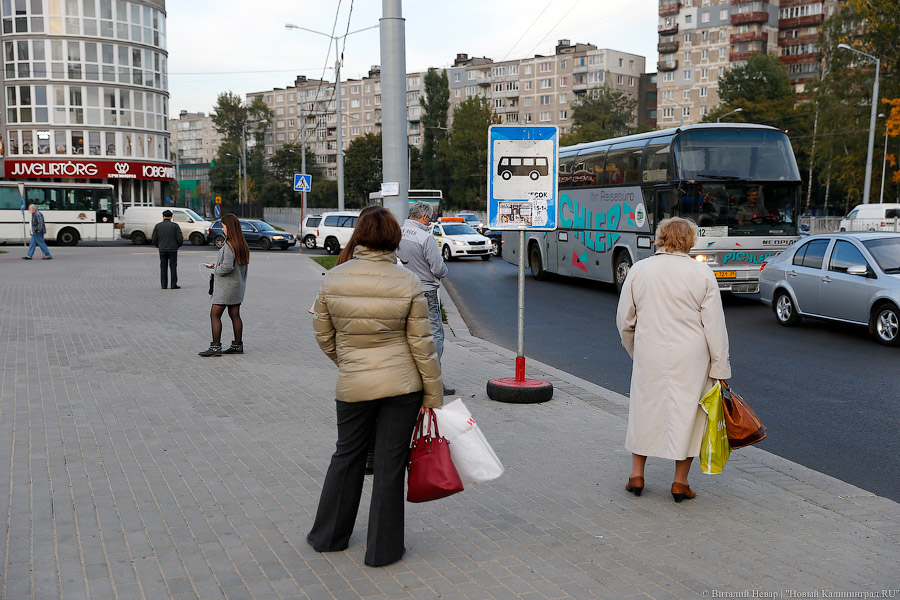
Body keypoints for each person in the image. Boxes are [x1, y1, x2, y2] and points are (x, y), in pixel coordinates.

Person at [308, 207, 442, 567]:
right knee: (389, 464)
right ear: (393, 238)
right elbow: (422, 345)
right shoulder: (408, 282)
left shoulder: (333, 278)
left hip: (353, 385)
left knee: (346, 455)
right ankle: (383, 550)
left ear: (359, 235)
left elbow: (323, 335)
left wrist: (350, 362)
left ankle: (328, 537)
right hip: (402, 388)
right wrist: (434, 395)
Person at [615, 217, 731, 503]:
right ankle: (680, 482)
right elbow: (714, 326)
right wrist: (720, 366)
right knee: (689, 415)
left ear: (660, 238)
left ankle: (636, 476)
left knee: (644, 409)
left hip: (650, 351)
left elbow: (625, 321)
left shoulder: (639, 270)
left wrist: (635, 350)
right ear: (690, 240)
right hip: (691, 356)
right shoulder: (702, 274)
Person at [396, 201, 455, 395]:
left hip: (403, 292)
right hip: (426, 292)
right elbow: (438, 269)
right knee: (435, 335)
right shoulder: (425, 237)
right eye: (430, 218)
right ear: (425, 217)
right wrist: (443, 270)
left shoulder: (396, 234)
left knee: (409, 335)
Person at [199, 213, 249, 357]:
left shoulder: (229, 245)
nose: (223, 229)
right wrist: (218, 264)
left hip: (226, 288)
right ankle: (237, 346)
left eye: (223, 226)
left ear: (230, 227)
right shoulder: (241, 244)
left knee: (214, 315)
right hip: (237, 287)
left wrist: (216, 269)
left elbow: (227, 267)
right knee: (235, 315)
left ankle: (215, 347)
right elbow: (233, 264)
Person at [151, 209, 182, 288]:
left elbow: (154, 238)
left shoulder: (158, 226)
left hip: (162, 249)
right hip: (173, 249)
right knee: (173, 267)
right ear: (171, 217)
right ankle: (173, 284)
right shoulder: (175, 226)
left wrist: (159, 245)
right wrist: (177, 245)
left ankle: (164, 285)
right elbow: (180, 238)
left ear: (163, 216)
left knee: (163, 267)